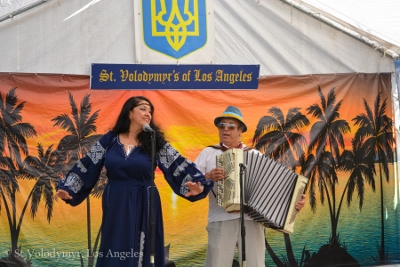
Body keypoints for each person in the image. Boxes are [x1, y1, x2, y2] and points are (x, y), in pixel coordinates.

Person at [55, 96, 214, 267]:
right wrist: (69, 189)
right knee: (115, 244)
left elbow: (176, 164)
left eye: (150, 110)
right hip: (116, 200)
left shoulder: (154, 141)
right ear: (129, 113)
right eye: (143, 108)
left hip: (145, 200)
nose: (148, 114)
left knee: (144, 246)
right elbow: (88, 165)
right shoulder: (109, 140)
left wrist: (196, 184)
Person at [194, 106, 306, 267]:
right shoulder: (208, 153)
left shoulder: (255, 155)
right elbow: (190, 184)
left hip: (252, 220)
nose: (225, 129)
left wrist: (295, 201)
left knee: (255, 264)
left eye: (231, 126)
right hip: (220, 219)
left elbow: (273, 189)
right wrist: (208, 177)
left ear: (241, 130)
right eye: (222, 126)